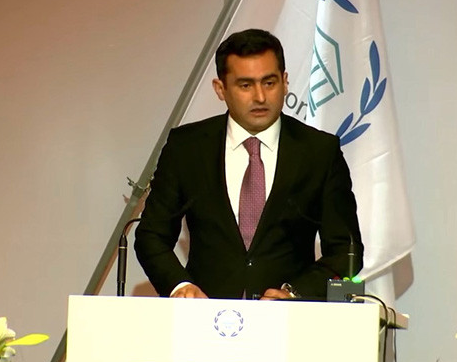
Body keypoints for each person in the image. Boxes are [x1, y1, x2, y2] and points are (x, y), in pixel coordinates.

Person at [134, 28, 362, 300]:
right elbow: (151, 236)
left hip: (289, 319)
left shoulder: (319, 151)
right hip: (202, 315)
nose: (260, 97)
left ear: (285, 82)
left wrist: (295, 294)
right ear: (220, 89)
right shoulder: (187, 147)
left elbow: (346, 252)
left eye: (269, 83)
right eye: (245, 85)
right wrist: (180, 286)